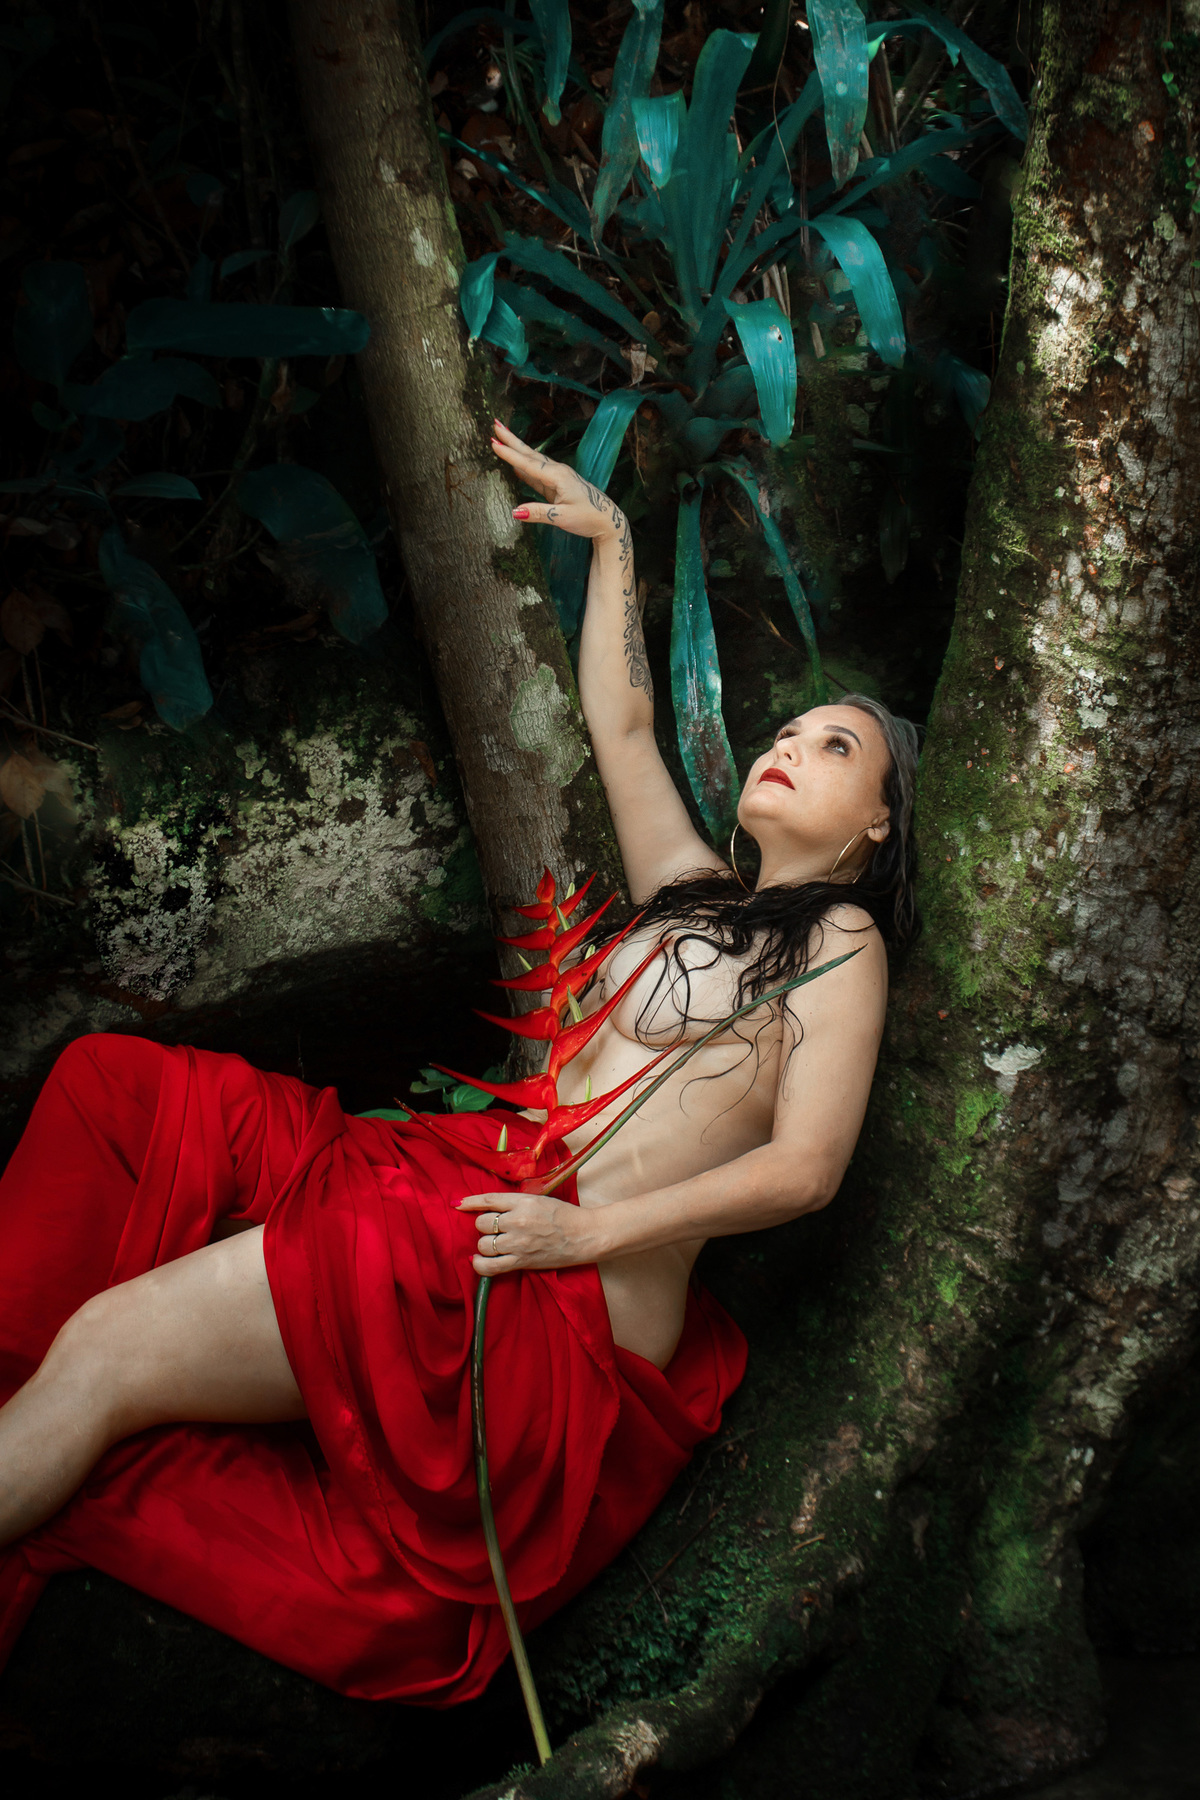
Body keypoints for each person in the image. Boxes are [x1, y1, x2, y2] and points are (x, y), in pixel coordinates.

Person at [0, 423, 918, 1707]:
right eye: (790, 726)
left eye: (836, 748)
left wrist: (579, 1240)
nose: (789, 744)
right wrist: (613, 543)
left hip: (547, 1297)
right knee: (118, 1089)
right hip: (467, 1195)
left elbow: (808, 1167)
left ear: (876, 824)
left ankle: (55, 1405)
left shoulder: (840, 939)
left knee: (106, 1349)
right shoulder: (697, 892)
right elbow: (626, 727)